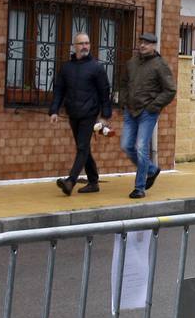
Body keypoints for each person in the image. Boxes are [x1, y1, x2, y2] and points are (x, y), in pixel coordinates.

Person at [49, 31, 111, 196]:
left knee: (82, 147)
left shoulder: (96, 67)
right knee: (83, 148)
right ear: (74, 46)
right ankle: (93, 182)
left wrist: (105, 115)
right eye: (81, 43)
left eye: (87, 43)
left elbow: (105, 92)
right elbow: (59, 90)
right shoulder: (66, 68)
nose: (84, 46)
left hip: (89, 113)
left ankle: (71, 181)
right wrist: (54, 110)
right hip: (73, 113)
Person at [121, 31, 177, 199]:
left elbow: (170, 90)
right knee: (126, 146)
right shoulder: (131, 63)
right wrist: (124, 101)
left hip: (147, 112)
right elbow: (123, 84)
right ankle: (152, 170)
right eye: (141, 42)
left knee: (140, 147)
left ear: (154, 46)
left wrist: (154, 106)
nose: (143, 45)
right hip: (130, 111)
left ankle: (139, 188)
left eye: (147, 43)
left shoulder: (160, 65)